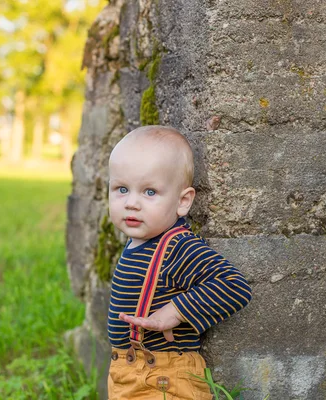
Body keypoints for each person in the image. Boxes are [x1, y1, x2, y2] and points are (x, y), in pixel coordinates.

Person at [107, 125, 252, 400]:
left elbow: (234, 286)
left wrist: (174, 312)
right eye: (122, 189)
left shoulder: (177, 247)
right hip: (126, 372)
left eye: (149, 192)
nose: (132, 203)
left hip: (163, 376)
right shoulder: (138, 242)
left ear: (183, 201)